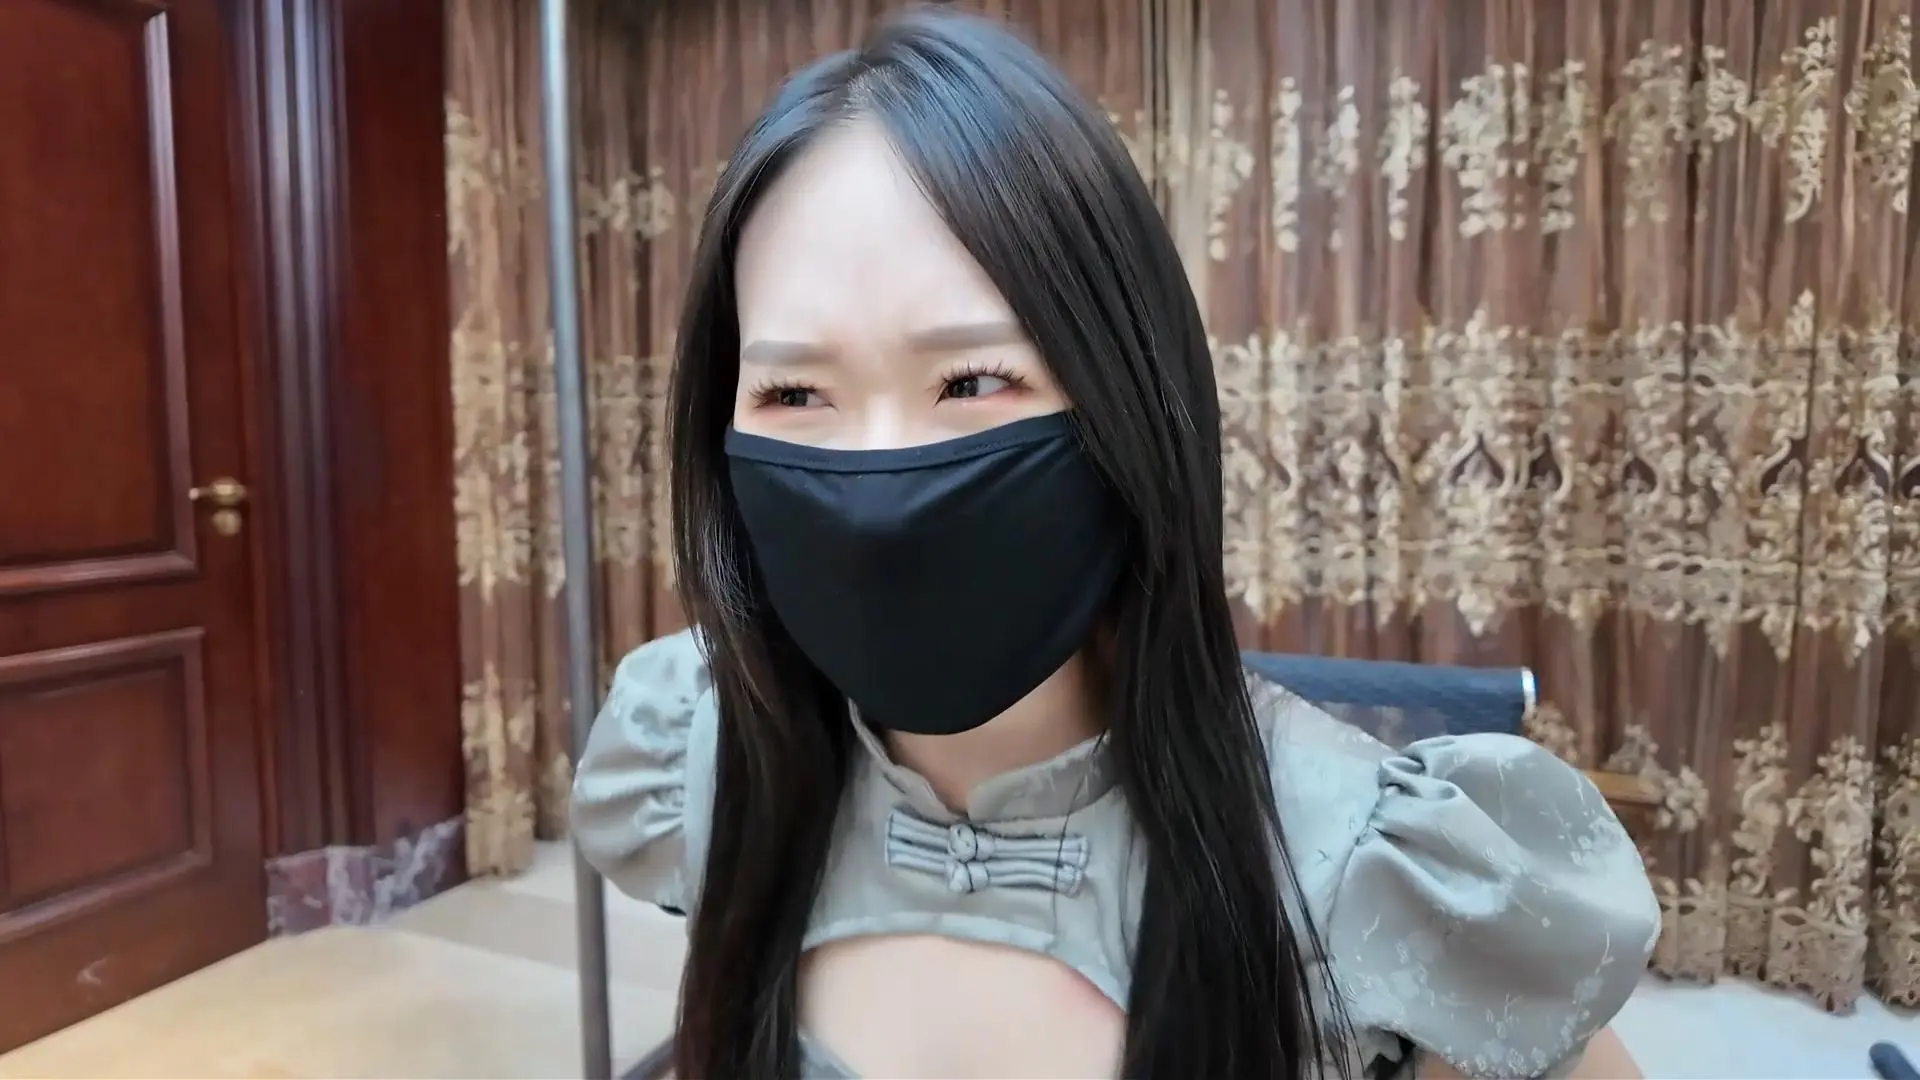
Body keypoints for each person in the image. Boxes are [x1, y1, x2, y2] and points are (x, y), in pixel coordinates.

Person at [570, 10, 1660, 1079]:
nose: (879, 480)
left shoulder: (1371, 872)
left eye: (972, 380)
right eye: (795, 393)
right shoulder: (713, 761)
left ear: (1125, 401)